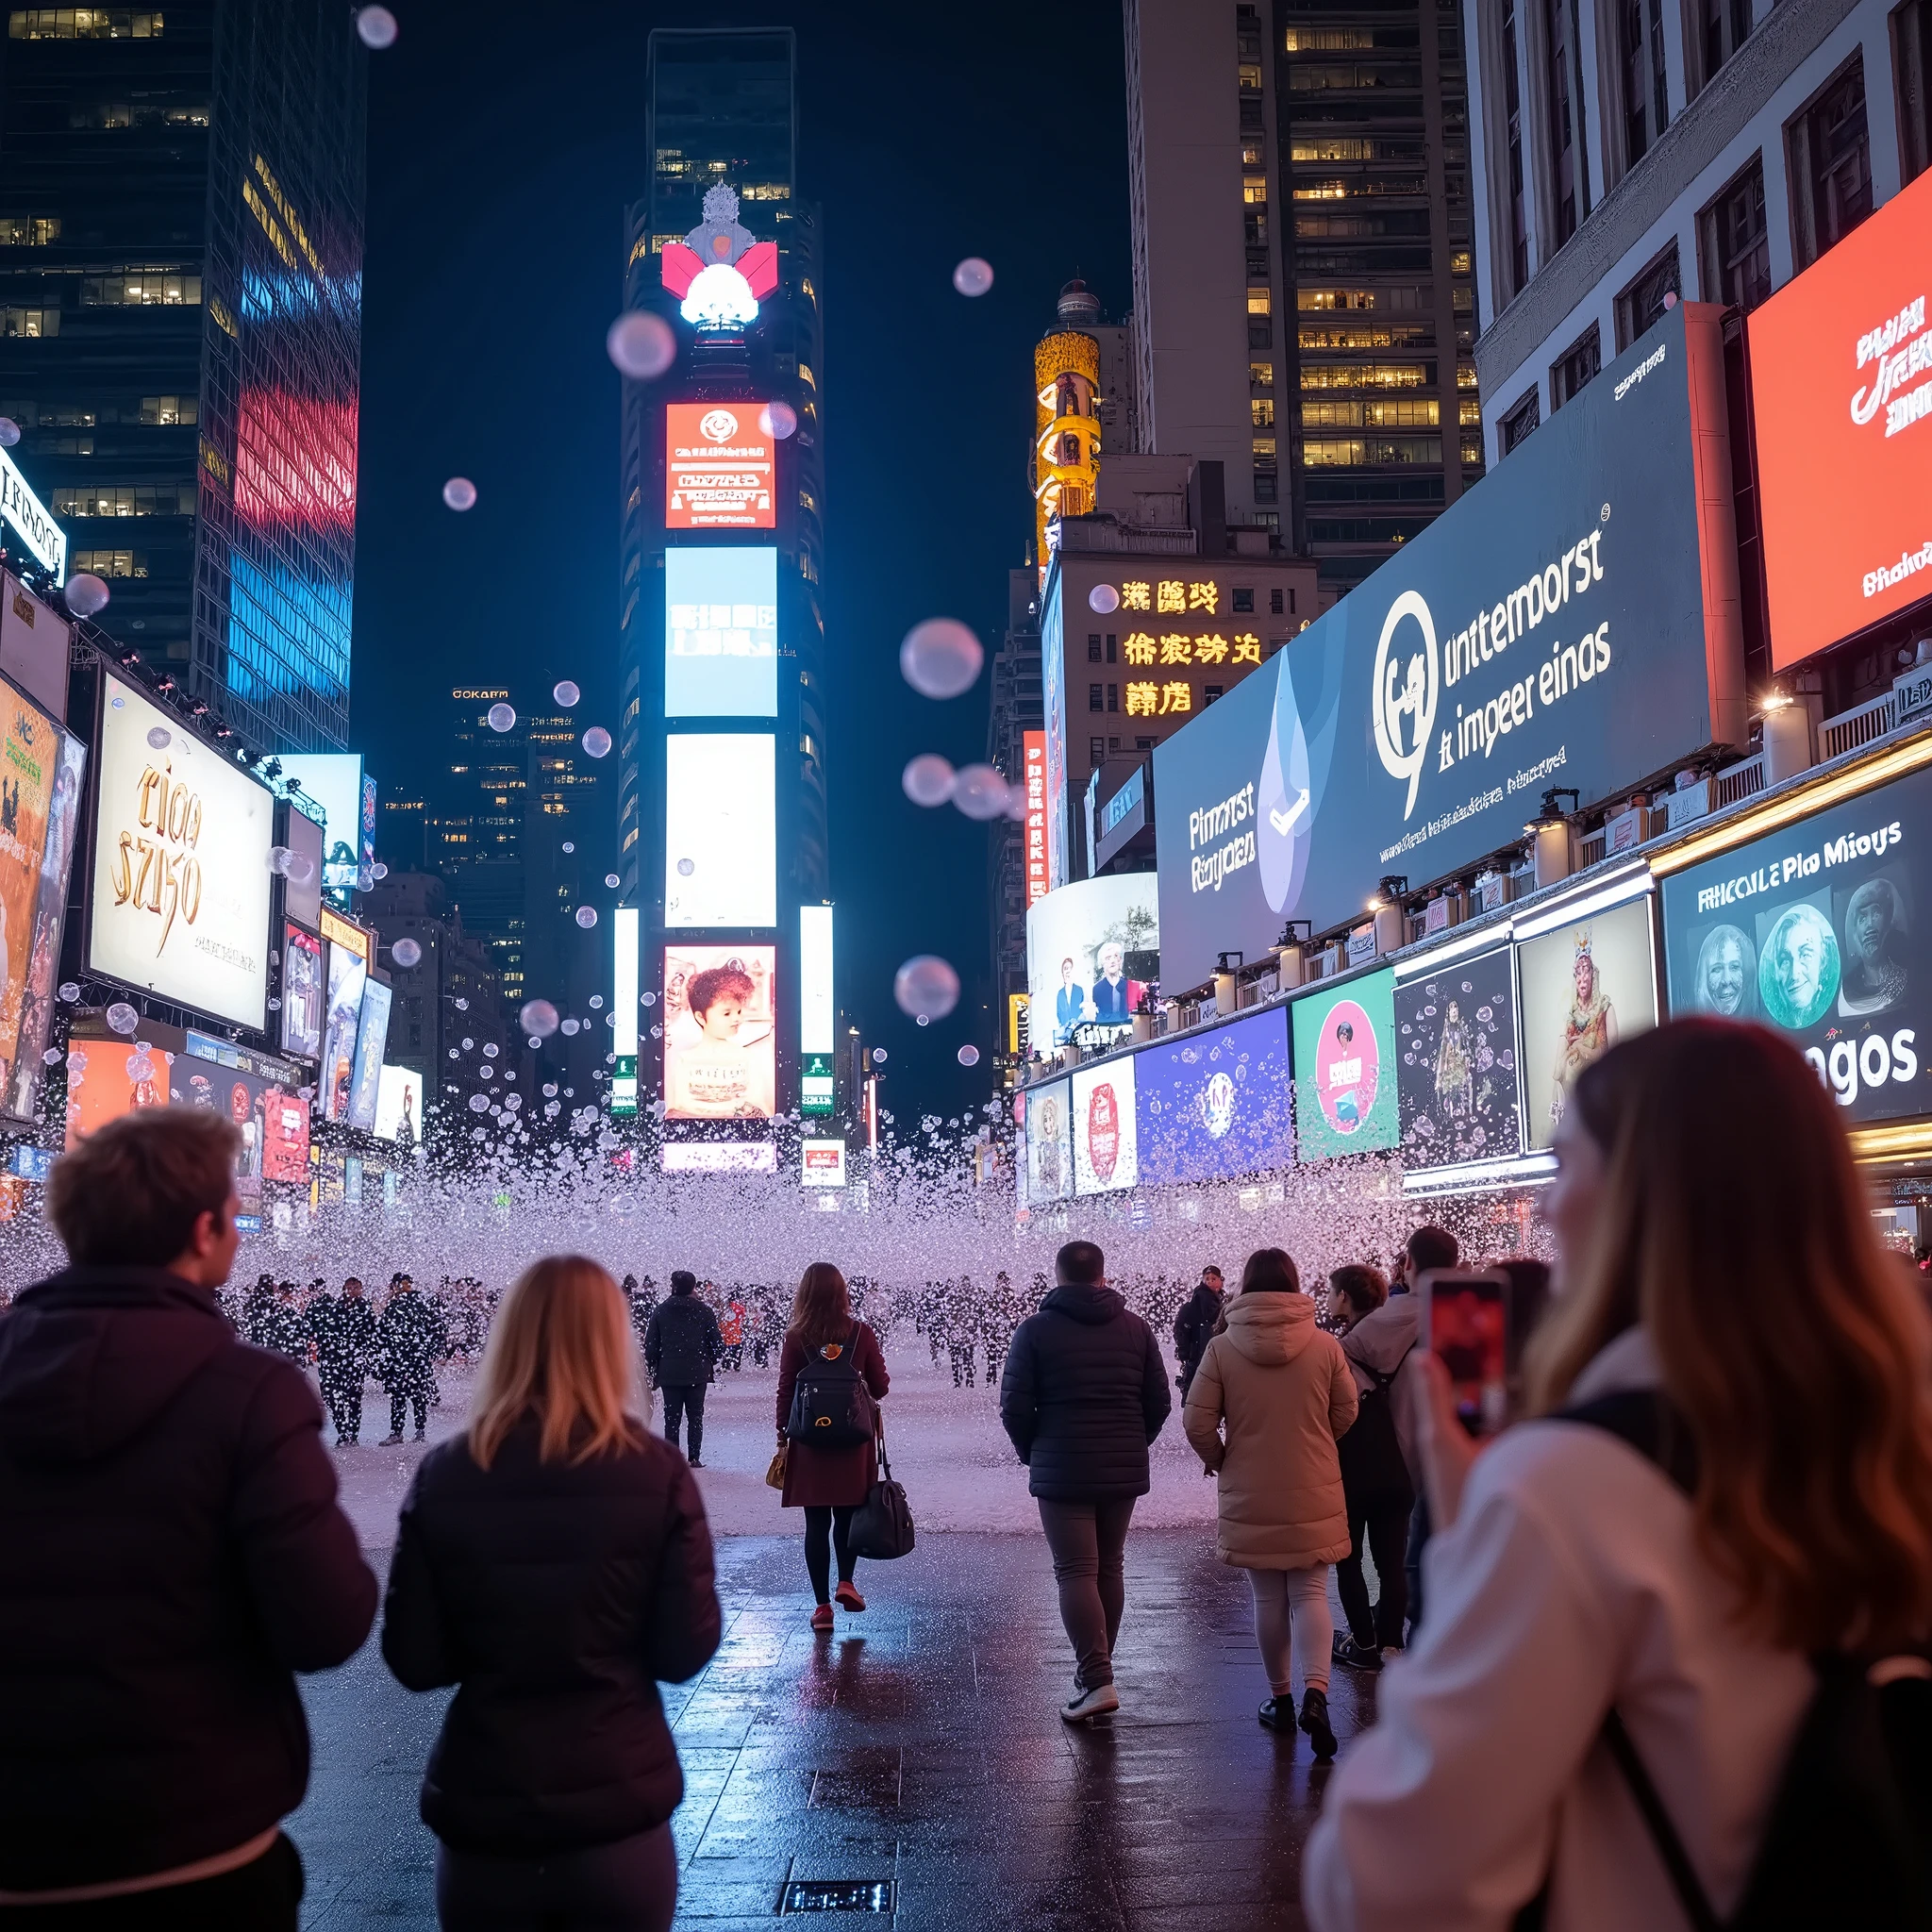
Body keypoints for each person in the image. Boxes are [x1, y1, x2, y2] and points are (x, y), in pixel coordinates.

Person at [1303, 1019, 1932, 1929]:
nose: (1550, 1209)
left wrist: (1471, 1536)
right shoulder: (1897, 1439)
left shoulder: (1564, 1492)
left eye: (1567, 1166)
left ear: (1636, 1198)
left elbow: (1380, 1890)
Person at [0, 1108, 375, 1922]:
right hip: (196, 1833)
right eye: (235, 1217)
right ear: (205, 1230)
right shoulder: (248, 1394)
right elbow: (329, 1624)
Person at [383, 1256, 720, 1932]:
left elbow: (415, 1661)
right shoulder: (654, 1473)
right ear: (612, 1341)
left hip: (488, 1804)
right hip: (617, 1803)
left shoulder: (449, 1473)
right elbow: (684, 1652)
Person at [1183, 1248, 1357, 1751]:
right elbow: (1347, 1411)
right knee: (1310, 1593)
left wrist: (1219, 1457)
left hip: (1250, 1484)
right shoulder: (1325, 1346)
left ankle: (1280, 1701)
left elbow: (1197, 1422)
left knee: (1268, 1598)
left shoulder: (1222, 1348)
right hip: (1313, 1482)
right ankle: (1317, 1696)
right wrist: (1318, 1442)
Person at [999, 1241, 1172, 1724]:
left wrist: (1033, 1452)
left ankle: (1096, 1679)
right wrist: (1132, 1444)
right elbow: (1159, 1401)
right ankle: (1096, 1674)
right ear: (1102, 1275)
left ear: (1057, 1276)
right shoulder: (1136, 1329)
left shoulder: (1034, 1331)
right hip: (1120, 1469)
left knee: (1076, 1570)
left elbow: (1014, 1406)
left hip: (1062, 1468)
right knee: (1108, 1567)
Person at [774, 1263, 890, 1631]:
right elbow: (881, 1386)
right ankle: (847, 1582)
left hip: (809, 1440)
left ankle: (822, 1608)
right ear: (842, 1293)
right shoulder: (861, 1332)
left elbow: (786, 1389)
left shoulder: (796, 1337)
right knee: (846, 1516)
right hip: (854, 1440)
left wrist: (782, 1433)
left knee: (815, 1522)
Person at [1324, 1264, 1412, 1670]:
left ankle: (1362, 1644)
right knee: (1392, 1562)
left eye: (1330, 1291)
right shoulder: (1408, 1339)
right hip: (1397, 1468)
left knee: (1349, 1559)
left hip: (1352, 1470)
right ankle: (1393, 1643)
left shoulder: (1339, 1350)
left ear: (1344, 1297)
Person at [643, 1270, 721, 1467]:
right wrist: (708, 1359)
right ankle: (694, 1457)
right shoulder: (704, 1311)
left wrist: (653, 1367)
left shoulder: (661, 1311)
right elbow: (718, 1345)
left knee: (672, 1418)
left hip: (669, 1372)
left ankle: (673, 1458)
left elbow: (651, 1345)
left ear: (673, 1286)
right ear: (693, 1287)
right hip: (697, 1371)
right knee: (695, 1416)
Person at [308, 1274, 377, 1447]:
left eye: (356, 1287)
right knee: (333, 1397)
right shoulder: (334, 1307)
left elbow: (371, 1334)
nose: (353, 1291)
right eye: (350, 1287)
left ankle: (353, 1434)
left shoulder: (365, 1309)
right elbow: (323, 1329)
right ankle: (342, 1431)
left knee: (354, 1398)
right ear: (344, 1289)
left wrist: (365, 1353)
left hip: (354, 1360)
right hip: (334, 1359)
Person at [377, 1273, 441, 1444]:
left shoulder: (420, 1303)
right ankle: (397, 1431)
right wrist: (382, 1356)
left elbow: (437, 1327)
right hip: (397, 1358)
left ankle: (419, 1430)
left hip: (416, 1357)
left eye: (406, 1284)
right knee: (398, 1396)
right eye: (401, 1284)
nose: (404, 1287)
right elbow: (383, 1333)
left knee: (417, 1395)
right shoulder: (392, 1307)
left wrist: (430, 1350)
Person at [1171, 1263, 1224, 1397]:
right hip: (1197, 1359)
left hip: (1218, 1359)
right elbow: (1180, 1330)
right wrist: (1186, 1355)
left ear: (1221, 1281)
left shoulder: (1225, 1304)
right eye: (1207, 1279)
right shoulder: (1193, 1306)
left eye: (1213, 1278)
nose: (1210, 1282)